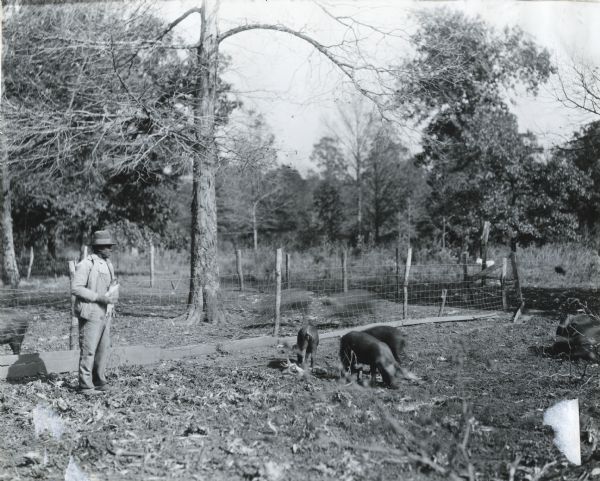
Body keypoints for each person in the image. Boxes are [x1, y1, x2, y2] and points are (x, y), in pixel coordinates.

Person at [72, 230, 119, 394]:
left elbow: (112, 286)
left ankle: (99, 380)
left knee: (103, 349)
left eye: (110, 246)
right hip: (90, 312)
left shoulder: (108, 264)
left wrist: (112, 301)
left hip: (105, 313)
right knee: (89, 349)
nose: (110, 249)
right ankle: (85, 385)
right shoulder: (86, 264)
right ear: (99, 247)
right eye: (107, 246)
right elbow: (76, 289)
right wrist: (99, 297)